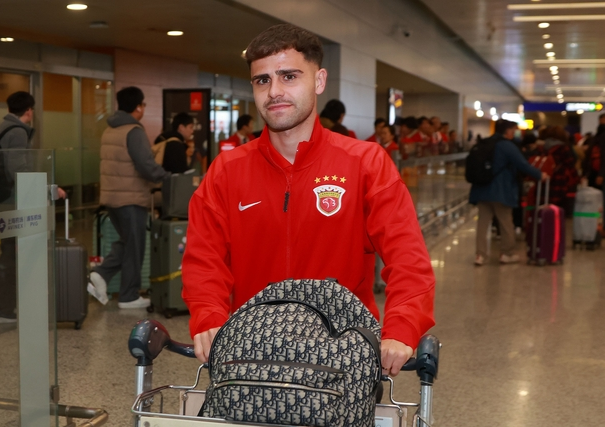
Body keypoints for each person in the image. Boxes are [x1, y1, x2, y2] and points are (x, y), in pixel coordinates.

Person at [182, 24, 435, 377]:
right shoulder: (226, 171)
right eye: (262, 80)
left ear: (319, 81)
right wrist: (209, 317)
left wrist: (401, 327)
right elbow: (203, 260)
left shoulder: (365, 164)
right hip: (251, 355)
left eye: (289, 76)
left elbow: (407, 258)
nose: (274, 91)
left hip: (342, 356)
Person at [0, 92, 66, 324]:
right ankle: (0, 309)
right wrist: (44, 189)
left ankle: (4, 306)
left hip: (2, 199)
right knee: (12, 254)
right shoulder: (18, 131)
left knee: (10, 253)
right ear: (29, 110)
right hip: (14, 202)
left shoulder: (0, 127)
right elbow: (20, 170)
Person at [88, 86, 170, 309]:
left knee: (127, 242)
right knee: (135, 246)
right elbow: (145, 165)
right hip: (130, 198)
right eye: (143, 104)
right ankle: (128, 295)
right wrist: (166, 177)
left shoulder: (109, 130)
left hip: (111, 197)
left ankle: (102, 274)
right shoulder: (133, 131)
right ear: (138, 107)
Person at [469, 120, 548, 266]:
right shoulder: (506, 146)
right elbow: (522, 164)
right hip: (500, 190)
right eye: (514, 130)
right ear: (508, 131)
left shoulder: (485, 143)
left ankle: (480, 255)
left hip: (481, 189)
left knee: (482, 223)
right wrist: (539, 175)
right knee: (506, 222)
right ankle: (507, 253)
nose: (515, 133)